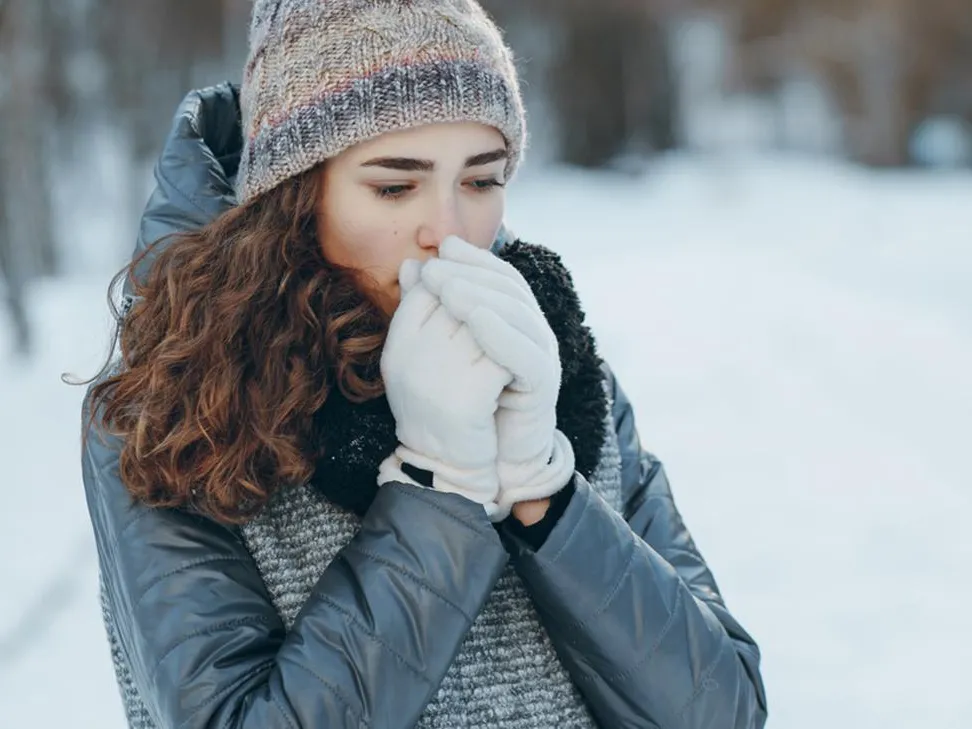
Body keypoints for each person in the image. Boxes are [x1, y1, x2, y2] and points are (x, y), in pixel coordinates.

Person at [81, 2, 767, 727]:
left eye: (481, 181)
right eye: (394, 186)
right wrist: (438, 487)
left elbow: (720, 712)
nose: (450, 233)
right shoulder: (174, 404)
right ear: (294, 195)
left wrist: (543, 487)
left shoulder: (555, 365)